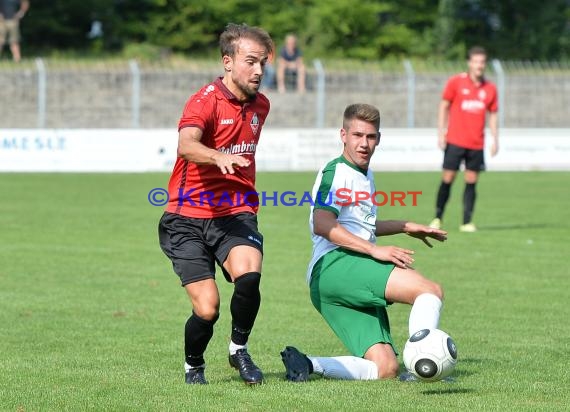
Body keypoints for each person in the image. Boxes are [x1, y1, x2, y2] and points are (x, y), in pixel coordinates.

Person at [281, 103, 448, 381]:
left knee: (386, 369)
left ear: (379, 139)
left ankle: (307, 364)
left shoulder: (364, 175)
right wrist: (374, 250)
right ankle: (426, 362)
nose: (364, 144)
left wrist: (405, 227)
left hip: (330, 281)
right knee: (429, 291)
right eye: (357, 135)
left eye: (370, 137)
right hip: (335, 265)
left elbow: (362, 228)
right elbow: (322, 224)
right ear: (343, 135)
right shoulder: (336, 172)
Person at [158, 23, 273, 385]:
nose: (258, 71)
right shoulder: (204, 100)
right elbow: (186, 144)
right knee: (207, 309)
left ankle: (238, 349)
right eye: (251, 62)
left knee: (250, 273)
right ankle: (194, 364)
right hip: (186, 216)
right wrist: (215, 155)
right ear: (228, 61)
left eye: (263, 63)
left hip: (235, 211)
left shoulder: (261, 105)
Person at [429, 46, 499, 233]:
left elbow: (493, 114)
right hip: (455, 140)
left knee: (471, 180)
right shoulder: (456, 82)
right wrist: (441, 132)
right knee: (448, 178)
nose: (479, 65)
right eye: (476, 61)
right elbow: (443, 106)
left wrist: (495, 138)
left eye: (482, 62)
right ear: (469, 63)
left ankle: (467, 221)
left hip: (476, 143)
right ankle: (437, 217)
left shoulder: (490, 88)